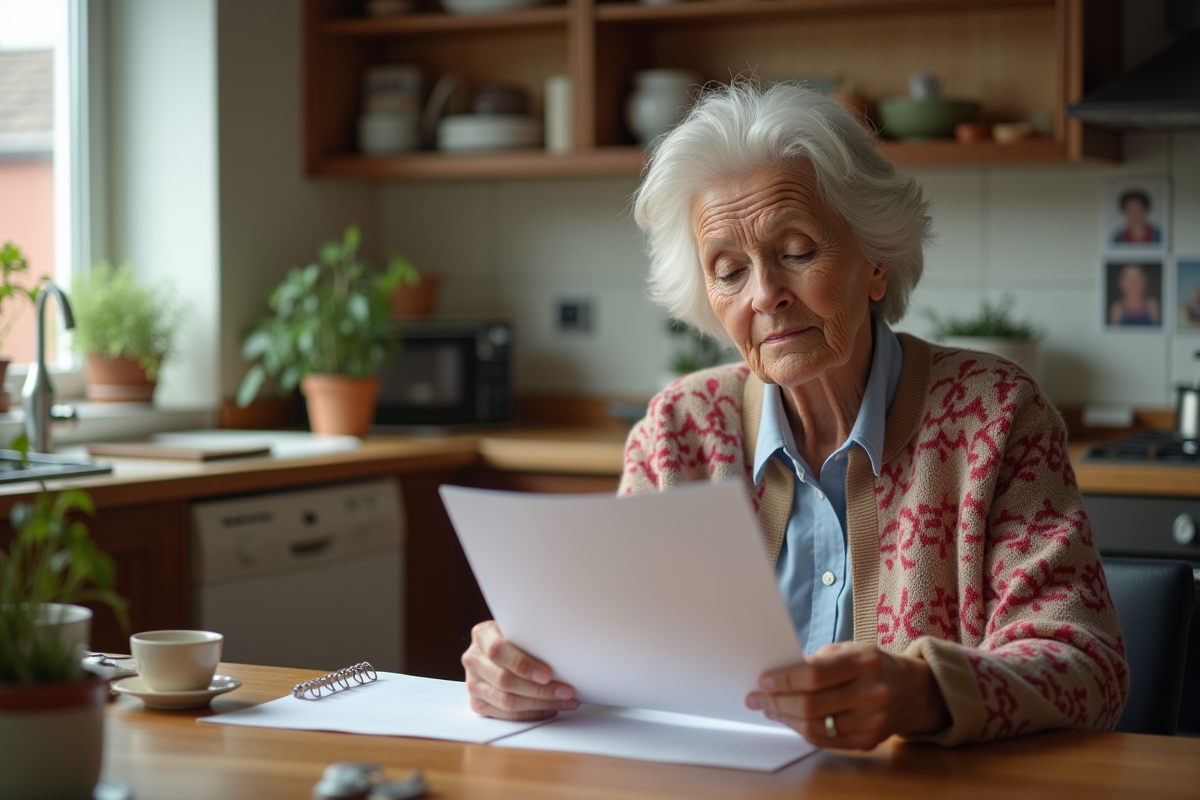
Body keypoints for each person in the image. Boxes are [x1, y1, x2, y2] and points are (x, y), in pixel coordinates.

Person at [461, 82, 1128, 749]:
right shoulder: (678, 431)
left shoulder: (994, 415)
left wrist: (921, 693)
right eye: (729, 271)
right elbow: (605, 647)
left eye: (798, 252)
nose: (766, 296)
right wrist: (523, 669)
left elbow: (1088, 665)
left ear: (875, 260)